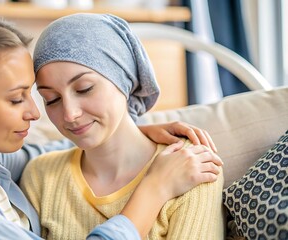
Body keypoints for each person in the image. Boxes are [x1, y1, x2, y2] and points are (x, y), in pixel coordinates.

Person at [0, 12, 222, 239]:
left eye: (84, 89)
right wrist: (153, 190)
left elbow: (57, 149)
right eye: (21, 98)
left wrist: (128, 130)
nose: (37, 113)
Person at [20, 13, 225, 240]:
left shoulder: (191, 164)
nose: (70, 114)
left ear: (124, 80)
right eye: (51, 99)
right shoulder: (39, 176)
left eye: (84, 88)